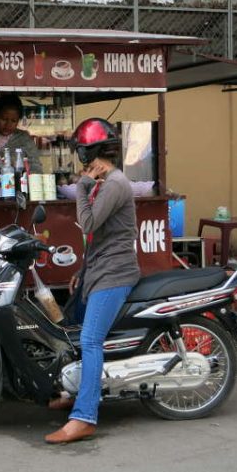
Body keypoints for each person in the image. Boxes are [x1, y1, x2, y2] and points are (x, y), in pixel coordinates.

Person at [44, 118, 141, 444]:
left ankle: (85, 417)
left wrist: (82, 186)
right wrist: (82, 271)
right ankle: (75, 391)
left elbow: (87, 224)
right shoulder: (106, 182)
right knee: (71, 330)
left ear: (90, 152)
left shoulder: (114, 184)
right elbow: (99, 237)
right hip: (98, 271)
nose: (81, 160)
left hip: (114, 274)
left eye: (82, 152)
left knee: (89, 340)